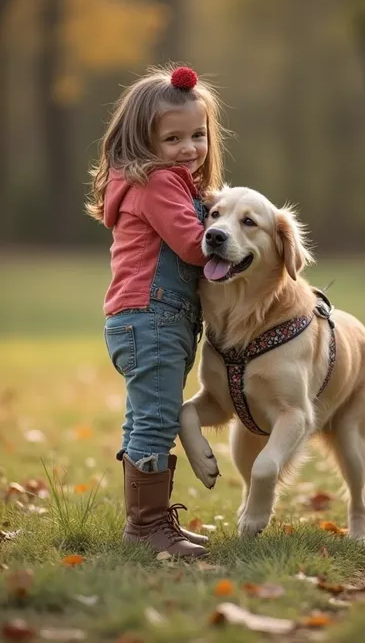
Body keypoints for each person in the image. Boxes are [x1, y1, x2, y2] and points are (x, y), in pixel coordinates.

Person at [86, 65, 225, 558]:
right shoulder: (162, 182)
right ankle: (146, 529)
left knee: (144, 419)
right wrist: (230, 231)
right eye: (173, 138)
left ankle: (147, 523)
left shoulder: (150, 182)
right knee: (154, 422)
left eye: (198, 135)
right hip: (154, 317)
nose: (189, 148)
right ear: (142, 141)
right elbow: (192, 246)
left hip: (140, 319)